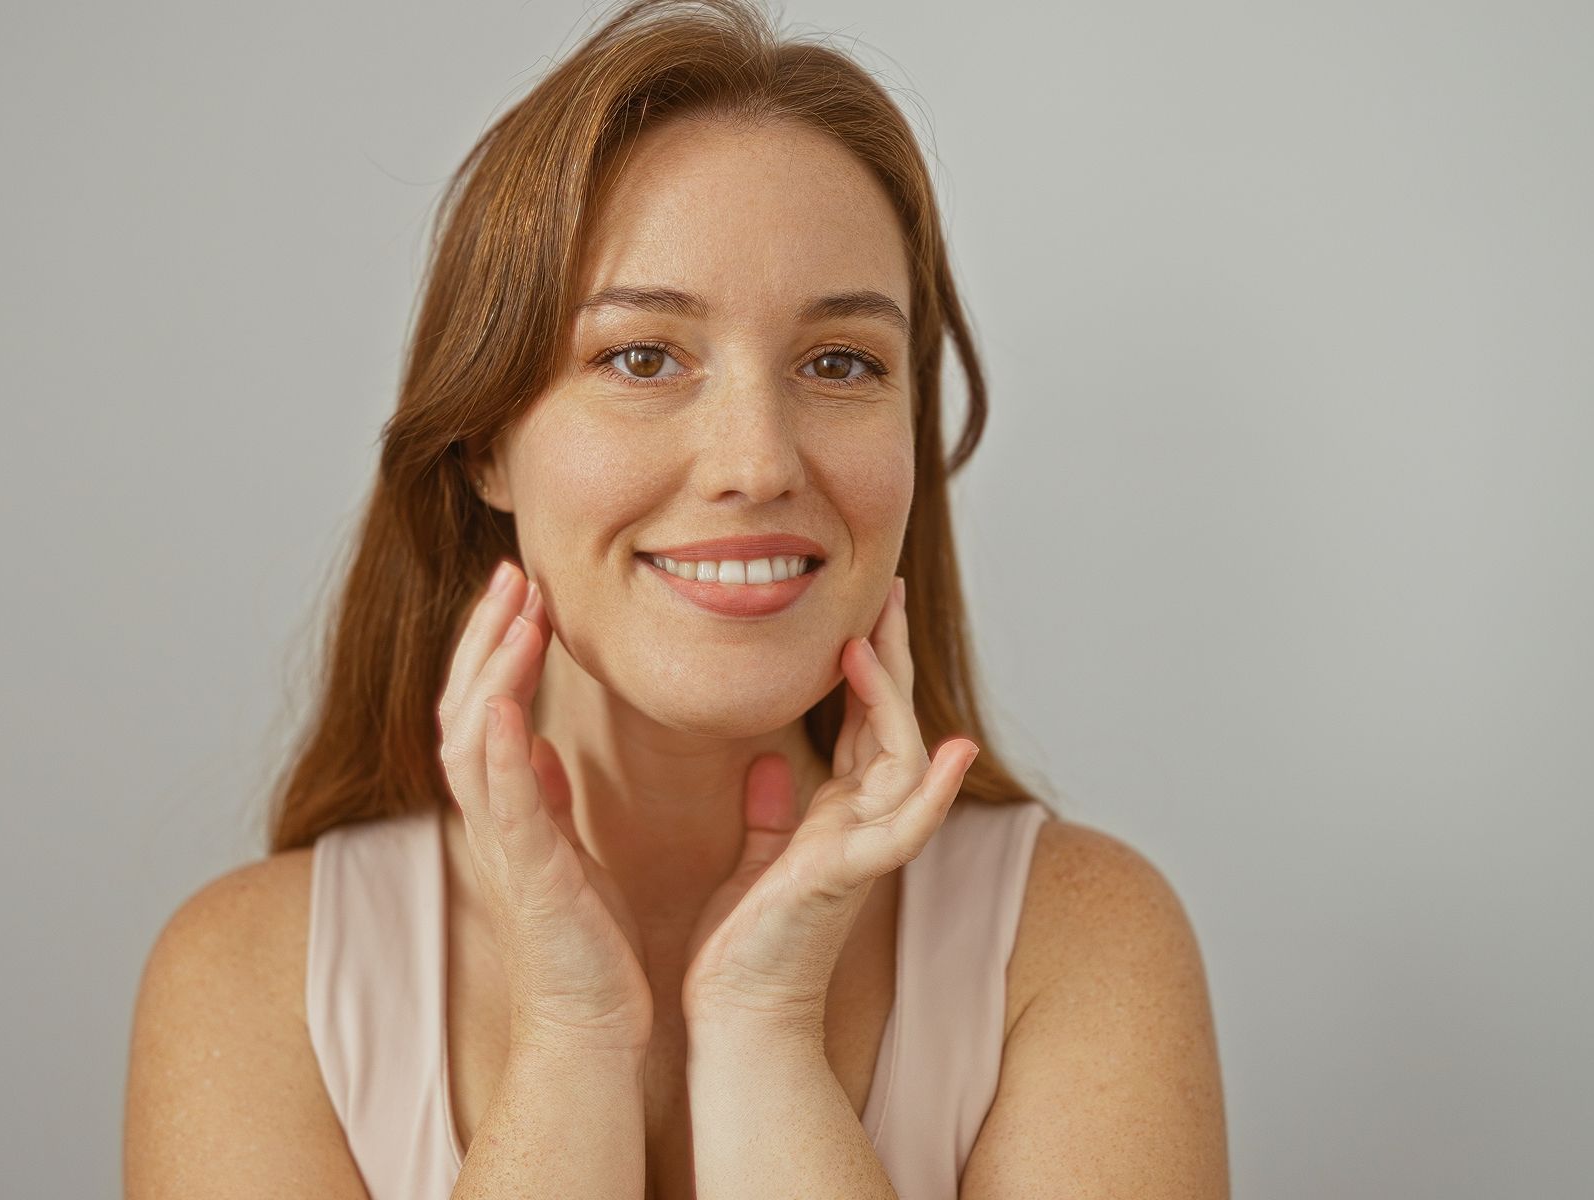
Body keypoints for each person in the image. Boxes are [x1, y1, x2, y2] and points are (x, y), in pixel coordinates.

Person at [123, 1, 1227, 1196]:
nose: (757, 460)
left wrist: (765, 1031)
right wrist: (571, 1039)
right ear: (486, 440)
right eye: (642, 357)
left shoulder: (1078, 945)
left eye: (840, 361)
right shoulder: (250, 978)